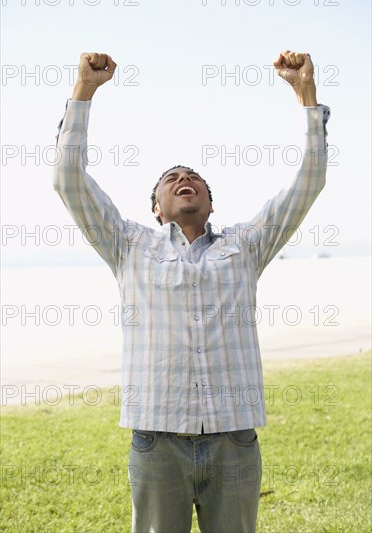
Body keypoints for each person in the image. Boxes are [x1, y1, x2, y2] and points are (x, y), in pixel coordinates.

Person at [54, 50, 330, 533]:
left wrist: (305, 95)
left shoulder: (246, 245)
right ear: (157, 209)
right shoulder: (128, 245)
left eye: (194, 178)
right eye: (170, 180)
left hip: (233, 439)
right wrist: (84, 92)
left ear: (209, 201)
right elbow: (69, 183)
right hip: (156, 439)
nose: (184, 180)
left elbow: (307, 184)